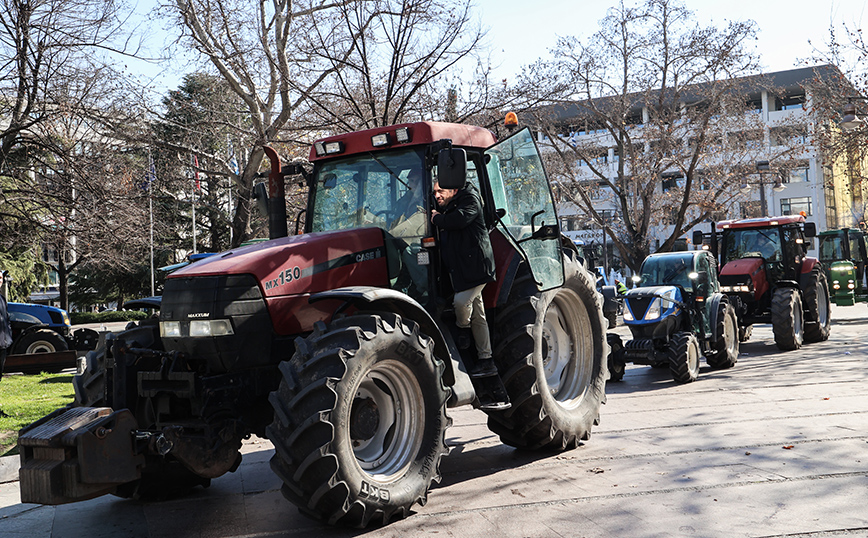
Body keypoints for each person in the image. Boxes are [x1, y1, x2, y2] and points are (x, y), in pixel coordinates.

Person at [431, 179, 508, 409]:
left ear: (454, 188)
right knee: (479, 315)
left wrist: (436, 219)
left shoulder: (470, 200)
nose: (437, 195)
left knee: (461, 302)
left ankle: (462, 332)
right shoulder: (451, 205)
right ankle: (486, 359)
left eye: (440, 191)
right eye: (434, 192)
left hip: (478, 270)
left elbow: (458, 220)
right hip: (464, 272)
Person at [0, 270, 11, 383]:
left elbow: (6, 319)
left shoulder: (2, 299)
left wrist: (9, 336)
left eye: (1, 278)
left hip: (2, 344)